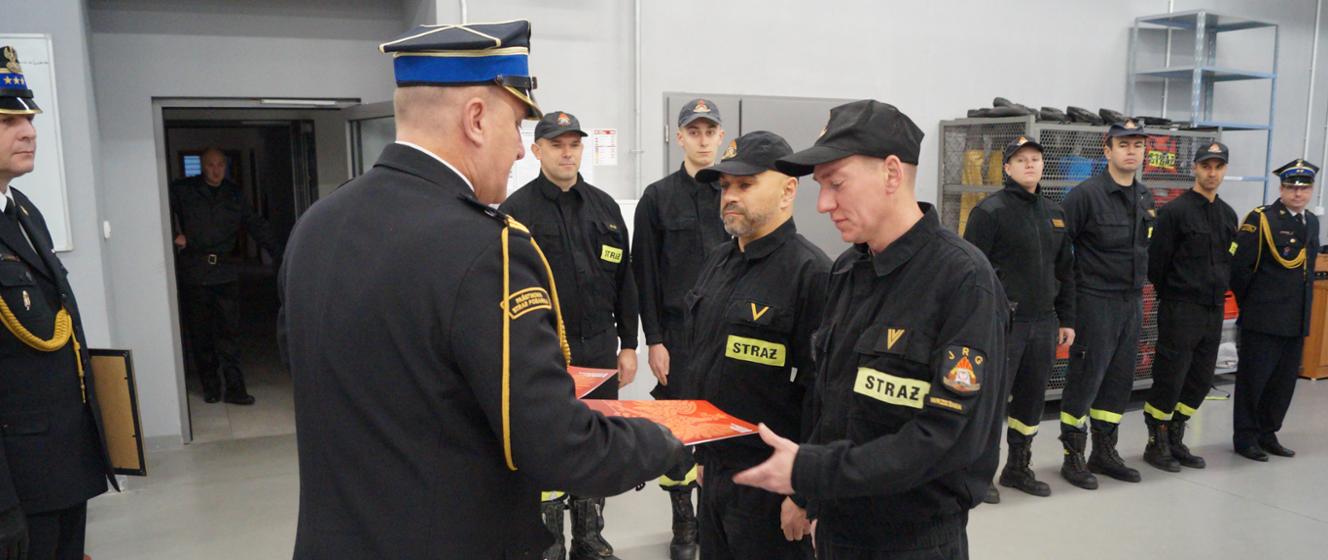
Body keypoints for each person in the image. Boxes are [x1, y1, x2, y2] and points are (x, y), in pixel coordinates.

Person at [280, 21, 688, 559]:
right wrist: (664, 440)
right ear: (476, 119)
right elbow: (555, 444)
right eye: (516, 126)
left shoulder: (316, 225)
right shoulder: (486, 248)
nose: (519, 152)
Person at [735, 100, 1009, 559]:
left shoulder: (963, 281)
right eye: (820, 186)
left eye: (836, 184)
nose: (823, 204)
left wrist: (814, 471)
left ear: (892, 173)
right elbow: (830, 402)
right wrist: (809, 497)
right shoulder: (848, 271)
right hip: (838, 526)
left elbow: (948, 438)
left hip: (911, 541)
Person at [682, 131, 829, 560]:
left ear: (788, 190)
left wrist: (803, 494)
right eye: (725, 185)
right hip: (716, 471)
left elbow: (823, 396)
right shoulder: (718, 261)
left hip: (773, 481)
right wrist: (704, 455)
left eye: (746, 185)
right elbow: (705, 361)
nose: (730, 196)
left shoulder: (813, 274)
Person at [500, 110, 639, 560]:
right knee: (547, 439)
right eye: (557, 145)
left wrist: (629, 345)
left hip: (599, 347)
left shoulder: (605, 208)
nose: (566, 153)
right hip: (542, 351)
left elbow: (626, 281)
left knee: (596, 438)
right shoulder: (515, 212)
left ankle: (589, 535)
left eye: (574, 144)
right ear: (537, 150)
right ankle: (548, 539)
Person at [0, 45, 117, 560]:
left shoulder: (24, 211)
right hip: (19, 481)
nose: (28, 131)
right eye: (7, 121)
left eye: (28, 119)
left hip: (63, 464)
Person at [632, 97, 727, 559]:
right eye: (694, 132)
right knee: (681, 434)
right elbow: (645, 275)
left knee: (725, 428)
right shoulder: (657, 198)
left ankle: (718, 518)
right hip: (678, 336)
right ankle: (684, 524)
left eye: (710, 132)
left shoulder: (734, 192)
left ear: (721, 137)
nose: (703, 140)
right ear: (679, 137)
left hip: (727, 336)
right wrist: (654, 340)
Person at [962, 136, 1075, 501]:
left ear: (1043, 166)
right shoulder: (989, 212)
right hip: (1004, 325)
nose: (1029, 164)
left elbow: (1066, 271)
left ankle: (1017, 468)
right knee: (991, 401)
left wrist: (1066, 319)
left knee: (1031, 399)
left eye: (1035, 159)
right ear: (1007, 167)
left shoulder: (1055, 214)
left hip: (1044, 323)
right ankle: (978, 474)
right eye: (1021, 159)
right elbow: (972, 272)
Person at [1057, 118, 1156, 489]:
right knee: (1085, 379)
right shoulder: (1085, 196)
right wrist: (1066, 308)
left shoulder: (1145, 197)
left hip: (1131, 301)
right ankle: (1073, 455)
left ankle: (1104, 451)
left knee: (1118, 381)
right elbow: (1059, 253)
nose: (1132, 152)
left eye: (1138, 145)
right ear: (1107, 150)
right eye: (1124, 145)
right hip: (1094, 301)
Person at [1141, 142, 1237, 472]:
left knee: (1200, 379)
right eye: (1206, 166)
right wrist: (1175, 294)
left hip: (1213, 309)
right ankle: (1156, 442)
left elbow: (1229, 261)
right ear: (1195, 168)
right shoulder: (1174, 212)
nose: (1212, 173)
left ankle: (1176, 436)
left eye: (1218, 167)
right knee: (1170, 377)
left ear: (1224, 170)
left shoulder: (1228, 215)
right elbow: (1157, 264)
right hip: (1181, 308)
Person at [169, 147, 284, 405]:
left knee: (229, 333)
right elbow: (156, 208)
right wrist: (173, 236)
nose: (216, 170)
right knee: (201, 333)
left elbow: (256, 224)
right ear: (202, 165)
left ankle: (235, 388)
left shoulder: (234, 194)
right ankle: (211, 386)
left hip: (225, 272)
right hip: (195, 272)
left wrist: (281, 253)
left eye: (220, 164)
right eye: (211, 165)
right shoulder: (183, 190)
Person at [1229, 158, 1321, 462]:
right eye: (1292, 187)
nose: (1298, 193)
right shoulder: (1262, 220)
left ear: (1311, 190)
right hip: (1263, 318)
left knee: (1282, 384)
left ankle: (1268, 433)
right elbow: (1240, 270)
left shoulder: (1311, 222)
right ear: (1281, 189)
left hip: (1295, 318)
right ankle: (1245, 437)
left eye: (1304, 188)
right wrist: (1254, 305)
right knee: (1254, 381)